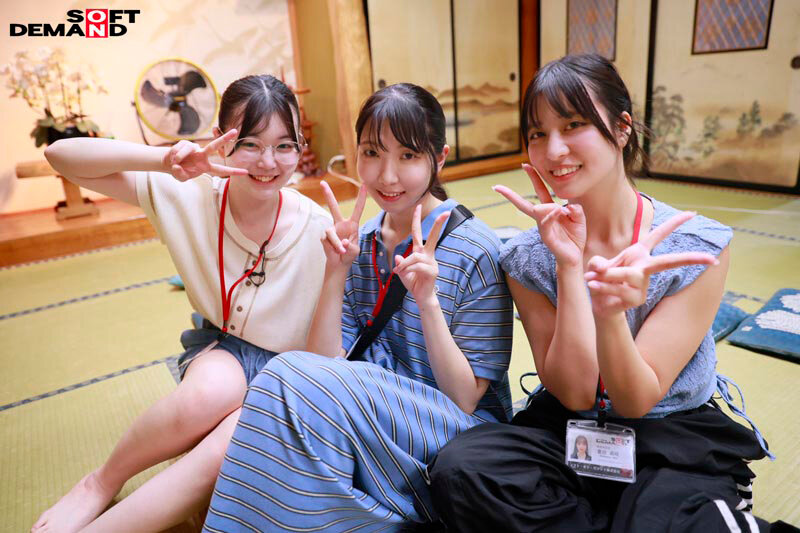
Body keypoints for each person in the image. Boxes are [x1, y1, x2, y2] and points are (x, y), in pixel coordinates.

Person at [428, 54, 773, 532]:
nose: (554, 150)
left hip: (670, 431)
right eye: (538, 133)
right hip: (572, 426)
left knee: (664, 520)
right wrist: (569, 266)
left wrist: (610, 314)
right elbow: (574, 392)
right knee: (463, 469)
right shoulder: (526, 256)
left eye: (574, 125)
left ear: (622, 127)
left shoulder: (693, 247)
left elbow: (635, 400)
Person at [201, 82, 514, 532]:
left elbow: (466, 399)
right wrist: (336, 271)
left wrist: (427, 302)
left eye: (408, 155)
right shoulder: (362, 240)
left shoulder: (475, 249)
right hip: (378, 419)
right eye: (372, 153)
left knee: (283, 380)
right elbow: (324, 363)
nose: (387, 175)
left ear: (439, 158)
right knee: (286, 387)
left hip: (456, 435)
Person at [32, 74, 331, 533]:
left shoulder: (321, 226)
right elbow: (61, 156)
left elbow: (332, 350)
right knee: (206, 396)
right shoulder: (189, 191)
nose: (268, 162)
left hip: (292, 372)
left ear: (300, 147)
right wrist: (164, 159)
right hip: (227, 350)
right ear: (219, 140)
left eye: (284, 146)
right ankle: (100, 482)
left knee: (221, 453)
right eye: (249, 144)